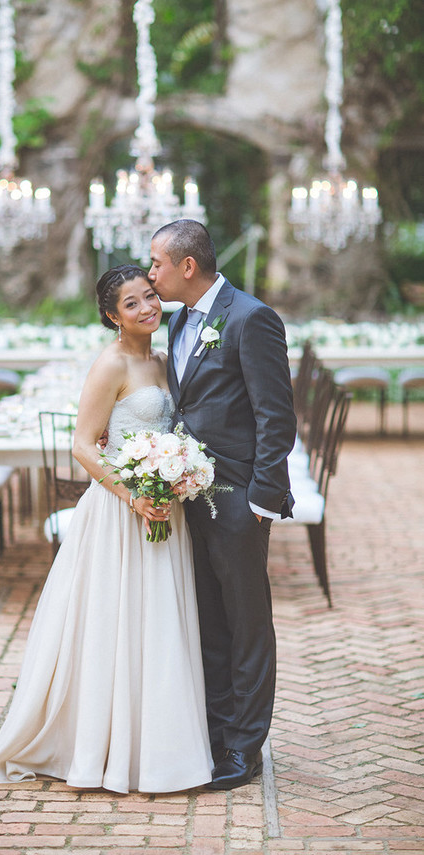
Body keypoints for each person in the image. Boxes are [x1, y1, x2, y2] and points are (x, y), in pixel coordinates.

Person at [0, 264, 212, 794]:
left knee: (160, 622)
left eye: (150, 296)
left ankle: (161, 746)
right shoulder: (111, 364)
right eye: (132, 303)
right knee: (114, 623)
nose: (147, 307)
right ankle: (105, 743)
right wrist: (134, 495)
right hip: (121, 512)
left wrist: (176, 474)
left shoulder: (167, 359)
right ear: (110, 315)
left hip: (163, 505)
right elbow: (83, 443)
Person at [149, 220, 296, 790]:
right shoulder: (180, 320)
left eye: (157, 262)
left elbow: (275, 416)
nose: (151, 272)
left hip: (238, 498)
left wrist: (263, 499)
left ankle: (245, 748)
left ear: (188, 266)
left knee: (246, 622)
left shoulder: (251, 318)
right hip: (190, 495)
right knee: (209, 619)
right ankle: (215, 734)